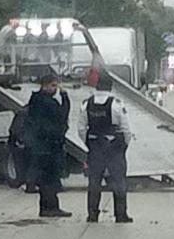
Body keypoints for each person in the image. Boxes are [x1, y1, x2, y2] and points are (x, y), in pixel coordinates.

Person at [77, 72, 133, 223]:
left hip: (95, 147)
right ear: (110, 87)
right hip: (114, 147)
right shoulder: (117, 104)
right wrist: (123, 146)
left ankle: (92, 214)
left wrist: (89, 144)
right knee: (119, 181)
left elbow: (81, 129)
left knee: (94, 182)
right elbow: (126, 129)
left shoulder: (86, 104)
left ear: (97, 85)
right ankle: (121, 215)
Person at [24, 74, 72, 217]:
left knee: (44, 179)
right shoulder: (48, 103)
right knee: (51, 178)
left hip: (39, 146)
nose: (55, 89)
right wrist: (65, 97)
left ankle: (45, 207)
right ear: (44, 85)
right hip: (49, 146)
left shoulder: (35, 100)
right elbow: (62, 115)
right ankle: (51, 207)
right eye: (53, 86)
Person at [8, 104, 37, 193]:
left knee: (25, 165)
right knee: (28, 165)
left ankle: (29, 184)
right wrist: (22, 141)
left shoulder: (25, 111)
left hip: (21, 143)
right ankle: (30, 185)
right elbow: (17, 129)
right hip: (22, 144)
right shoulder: (27, 112)